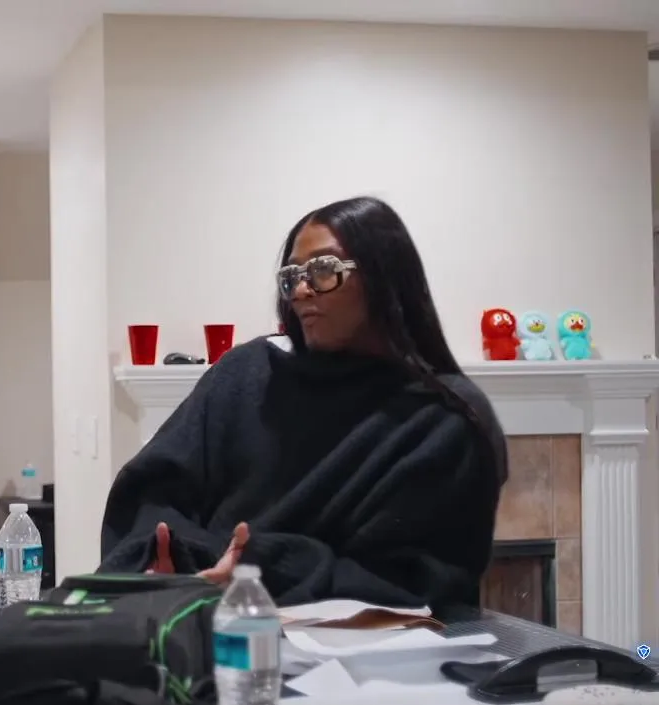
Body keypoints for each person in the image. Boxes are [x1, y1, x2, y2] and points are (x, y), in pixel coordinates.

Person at [99, 196, 508, 615]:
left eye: (324, 270)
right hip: (202, 622)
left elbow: (418, 582)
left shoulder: (443, 418)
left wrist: (261, 566)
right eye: (292, 276)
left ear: (384, 277)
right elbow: (151, 490)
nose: (299, 291)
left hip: (355, 646)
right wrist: (167, 554)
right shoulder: (246, 374)